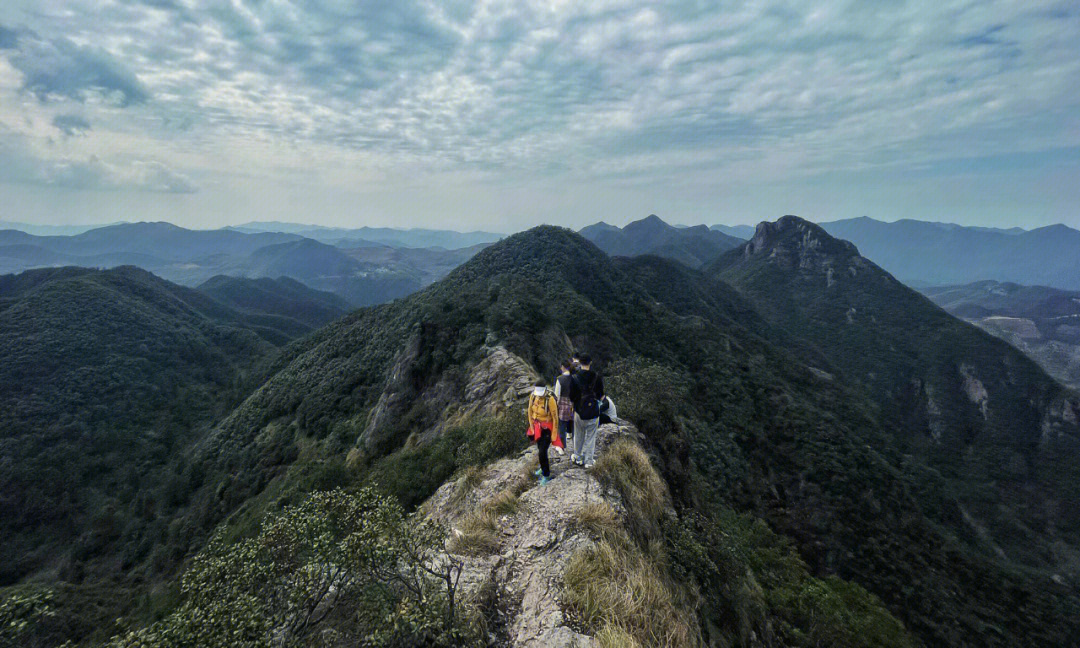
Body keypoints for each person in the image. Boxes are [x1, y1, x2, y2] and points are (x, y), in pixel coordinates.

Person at [569, 354, 604, 469]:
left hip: (579, 411)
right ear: (591, 362)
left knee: (578, 435)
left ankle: (578, 457)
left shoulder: (574, 378)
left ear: (579, 362)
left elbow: (571, 397)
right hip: (593, 411)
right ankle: (589, 461)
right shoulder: (597, 377)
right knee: (591, 437)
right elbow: (600, 395)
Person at [527, 379, 562, 485]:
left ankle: (546, 475)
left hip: (547, 429)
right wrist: (532, 426)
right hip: (537, 427)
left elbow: (555, 417)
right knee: (539, 448)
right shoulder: (533, 396)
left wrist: (554, 433)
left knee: (542, 451)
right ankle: (543, 467)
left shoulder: (550, 399)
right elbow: (530, 410)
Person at [553, 360, 575, 452]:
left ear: (562, 367)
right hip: (573, 404)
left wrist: (556, 406)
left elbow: (557, 395)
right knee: (573, 425)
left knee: (561, 425)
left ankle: (561, 446)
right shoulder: (574, 378)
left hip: (563, 404)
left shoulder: (560, 379)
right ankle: (576, 447)